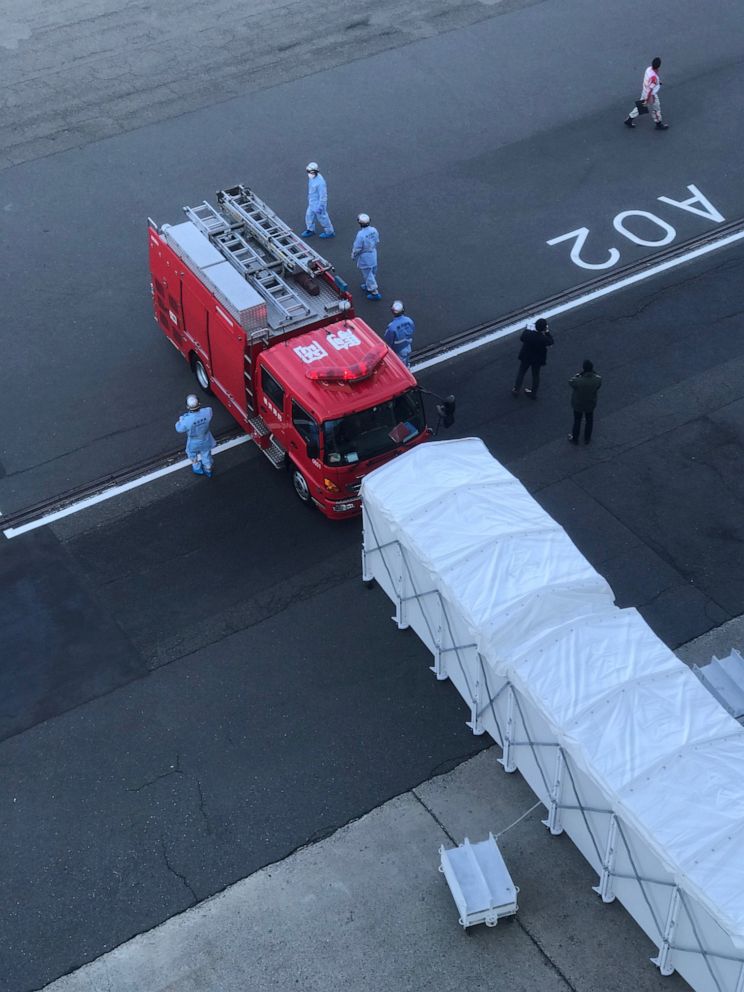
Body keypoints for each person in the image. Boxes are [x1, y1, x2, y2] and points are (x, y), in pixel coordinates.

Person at [512, 318, 553, 398]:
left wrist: (528, 329)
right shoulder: (543, 339)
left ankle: (516, 389)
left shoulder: (528, 334)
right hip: (537, 359)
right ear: (544, 328)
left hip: (526, 356)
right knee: (535, 375)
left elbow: (522, 338)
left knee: (522, 372)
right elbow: (551, 342)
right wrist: (547, 332)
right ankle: (533, 393)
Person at [176, 394, 216, 476]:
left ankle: (197, 468)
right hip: (206, 438)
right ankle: (208, 469)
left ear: (188, 407)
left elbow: (179, 429)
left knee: (191, 453)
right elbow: (209, 410)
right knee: (206, 453)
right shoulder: (207, 412)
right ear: (199, 404)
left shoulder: (187, 420)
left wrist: (180, 420)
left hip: (193, 441)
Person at [624, 57, 669, 130]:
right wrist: (647, 99)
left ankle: (629, 119)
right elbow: (651, 89)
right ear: (659, 66)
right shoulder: (654, 78)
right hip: (651, 95)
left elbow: (650, 81)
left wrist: (657, 82)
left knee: (641, 107)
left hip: (644, 91)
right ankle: (658, 123)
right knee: (656, 108)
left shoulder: (648, 69)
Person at [568, 360, 602, 445]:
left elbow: (571, 382)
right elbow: (598, 386)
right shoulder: (597, 379)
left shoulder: (578, 380)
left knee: (577, 420)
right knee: (589, 420)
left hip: (578, 403)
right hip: (590, 403)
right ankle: (587, 438)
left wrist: (577, 376)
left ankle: (575, 438)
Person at [301, 163, 335, 239]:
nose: (309, 174)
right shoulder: (312, 178)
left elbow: (323, 196)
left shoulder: (320, 182)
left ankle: (330, 232)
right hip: (312, 203)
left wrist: (320, 207)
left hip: (318, 205)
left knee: (323, 218)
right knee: (309, 216)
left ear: (315, 172)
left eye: (310, 172)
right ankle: (310, 230)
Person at [352, 213, 381, 300]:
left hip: (365, 256)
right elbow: (377, 240)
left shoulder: (360, 234)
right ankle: (369, 284)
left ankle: (374, 292)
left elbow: (357, 247)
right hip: (373, 253)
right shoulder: (374, 230)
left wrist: (353, 255)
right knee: (372, 271)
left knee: (367, 274)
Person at [384, 301, 415, 366]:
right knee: (406, 359)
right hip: (407, 345)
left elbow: (388, 341)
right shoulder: (409, 320)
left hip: (398, 349)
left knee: (400, 364)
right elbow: (412, 330)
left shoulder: (392, 327)